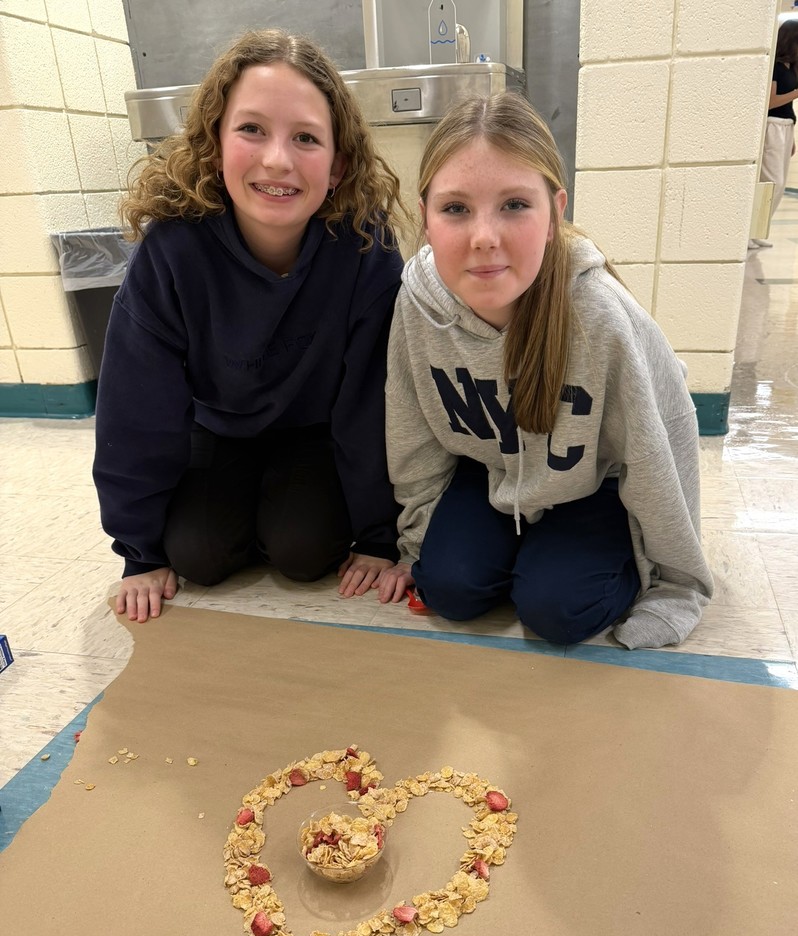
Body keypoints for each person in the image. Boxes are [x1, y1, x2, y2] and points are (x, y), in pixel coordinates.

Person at [377, 92, 713, 650]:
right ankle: (520, 550)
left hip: (593, 484)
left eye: (514, 205)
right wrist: (417, 546)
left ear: (555, 213)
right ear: (426, 218)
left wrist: (676, 583)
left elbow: (664, 442)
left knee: (558, 610)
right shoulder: (417, 303)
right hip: (490, 473)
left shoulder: (600, 315)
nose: (484, 236)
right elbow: (411, 432)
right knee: (450, 591)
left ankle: (557, 560)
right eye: (456, 208)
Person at [94, 29, 407, 623]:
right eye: (252, 129)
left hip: (316, 433)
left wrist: (379, 537)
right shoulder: (172, 252)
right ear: (215, 142)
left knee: (304, 549)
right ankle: (238, 515)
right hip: (218, 429)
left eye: (306, 138)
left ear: (338, 164)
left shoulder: (365, 248)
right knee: (197, 555)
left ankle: (275, 515)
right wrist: (140, 553)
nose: (277, 160)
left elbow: (374, 405)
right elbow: (135, 410)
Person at [750, 19, 798, 249]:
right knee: (773, 182)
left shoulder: (791, 68)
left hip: (786, 126)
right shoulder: (776, 68)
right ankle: (749, 231)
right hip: (773, 126)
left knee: (776, 184)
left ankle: (757, 229)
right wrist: (796, 93)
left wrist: (793, 138)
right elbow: (769, 102)